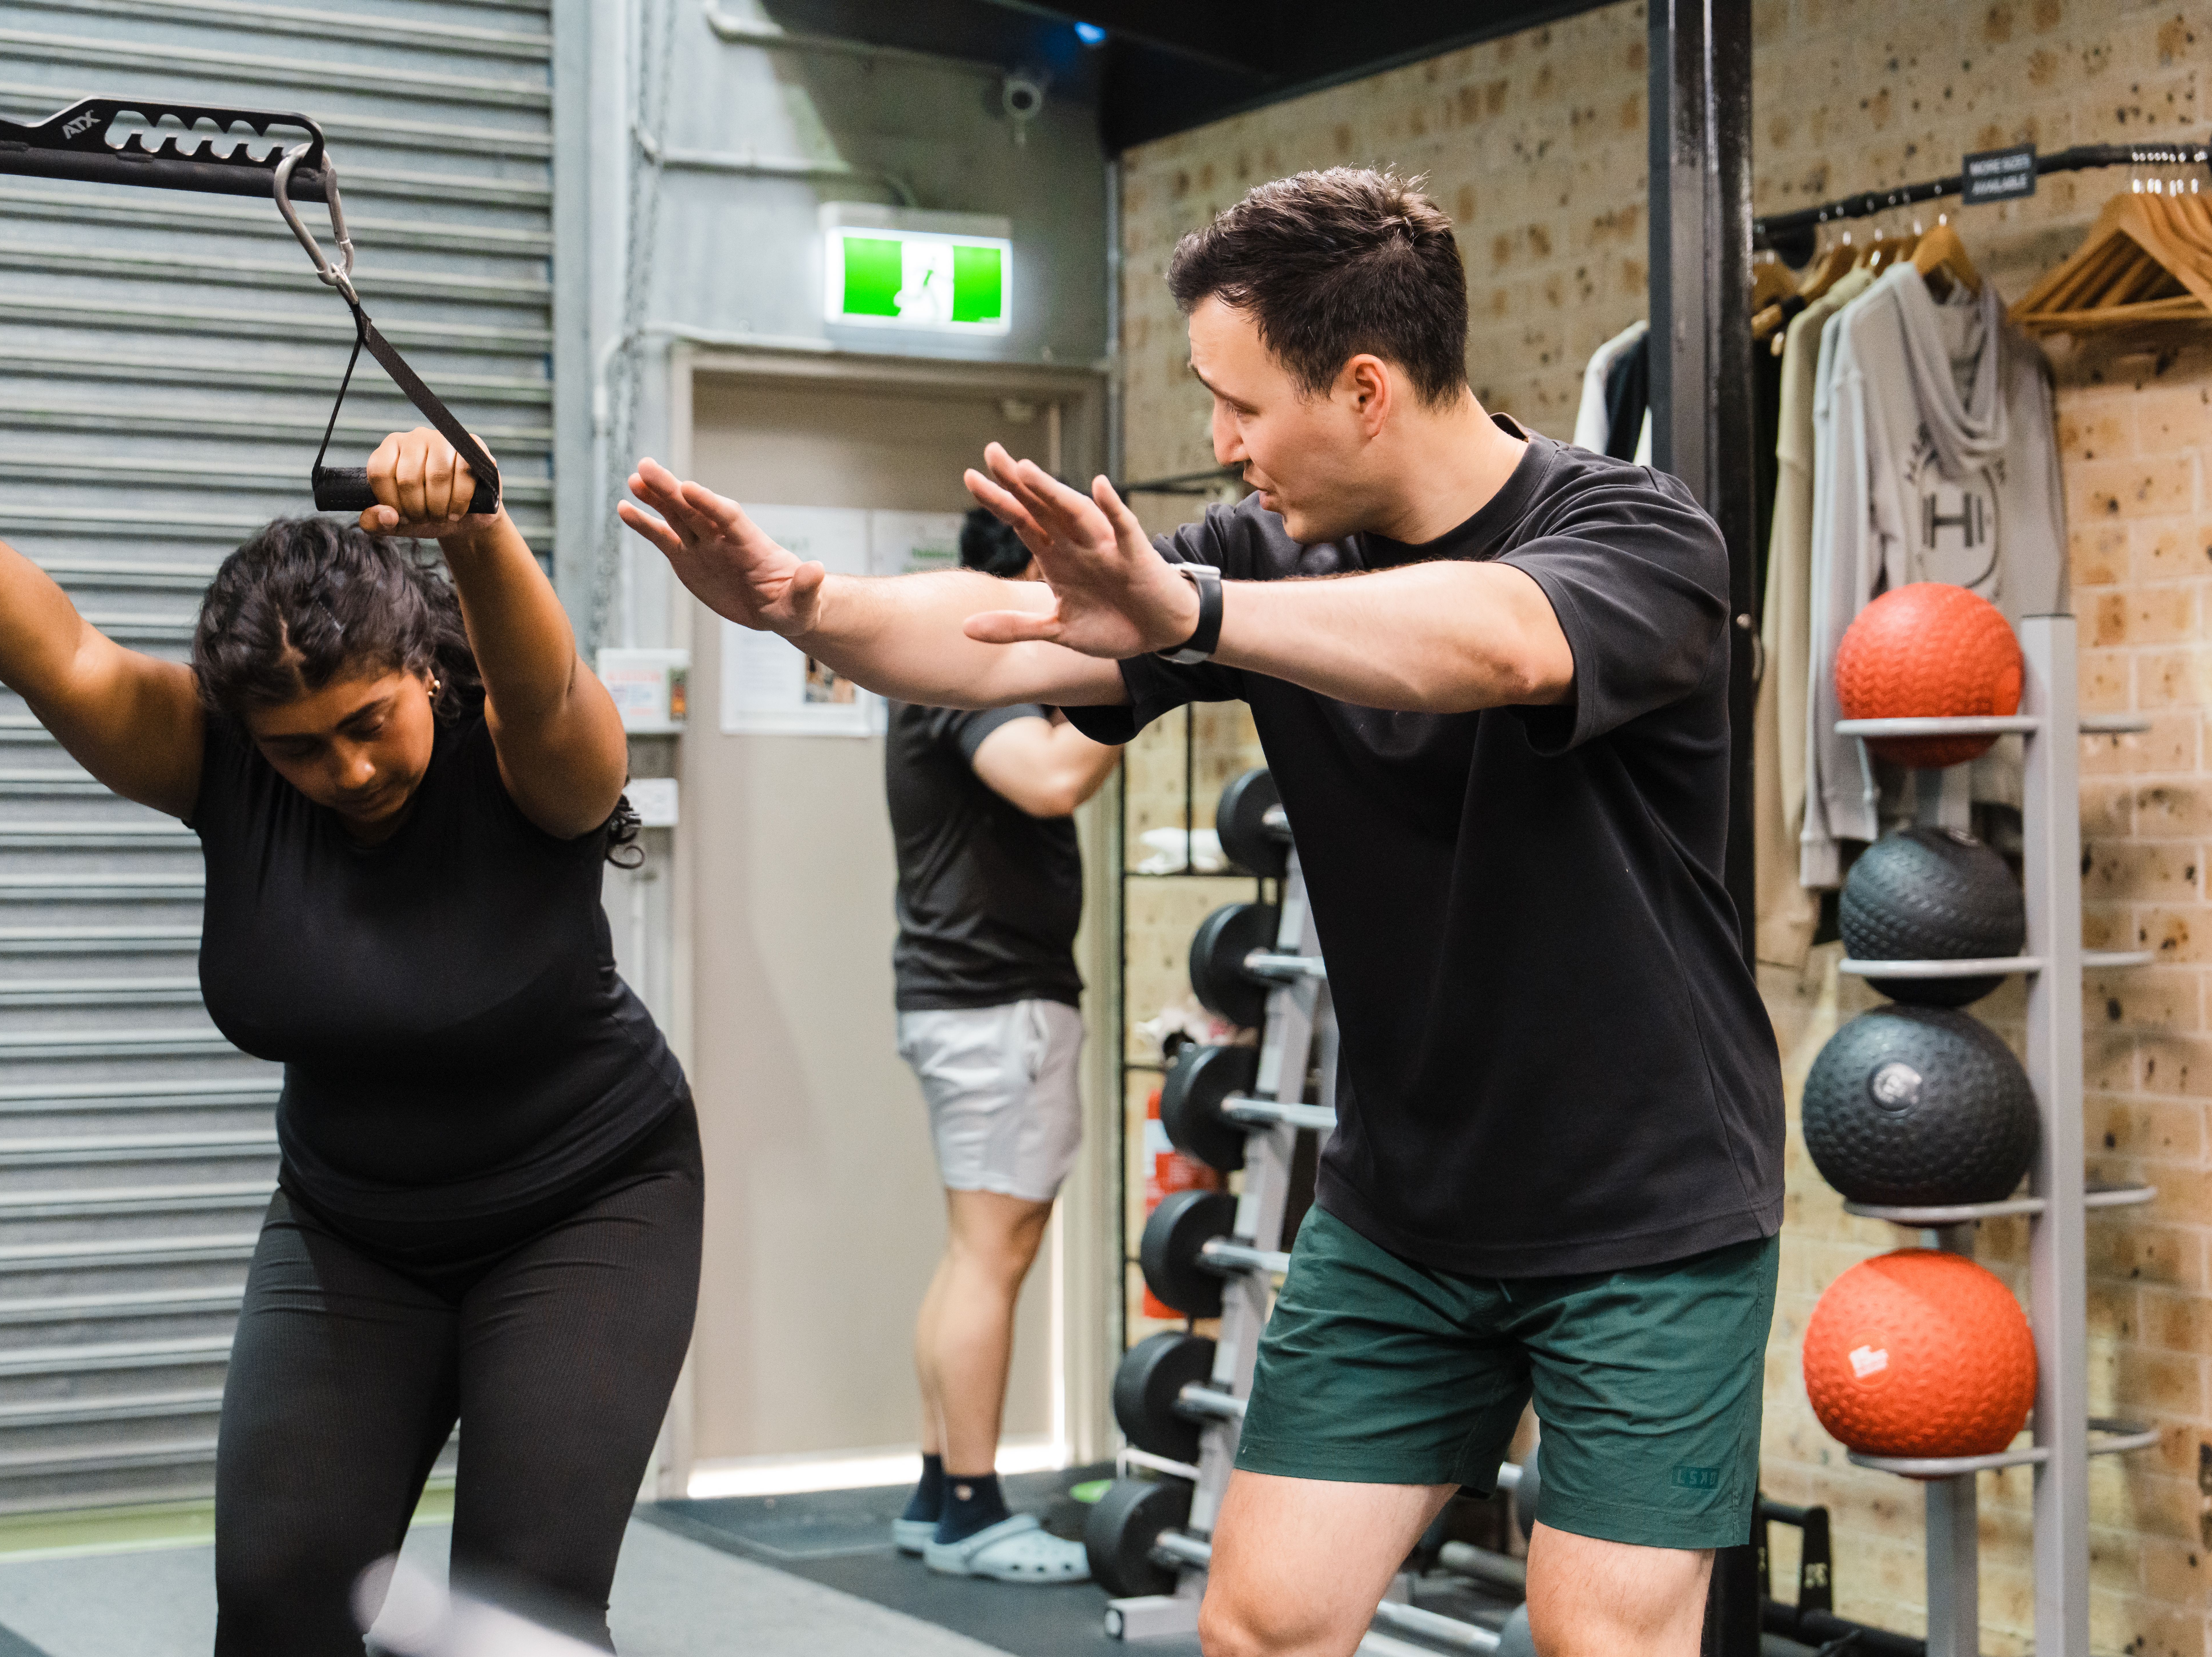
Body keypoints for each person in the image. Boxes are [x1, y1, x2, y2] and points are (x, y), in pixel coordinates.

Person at [620, 166, 1782, 1657]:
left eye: (1239, 405)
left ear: (1364, 388)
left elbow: (1491, 643)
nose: (1220, 445)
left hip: (1649, 1215)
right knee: (1262, 1625)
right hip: (1407, 1213)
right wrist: (804, 603)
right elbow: (996, 645)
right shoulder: (1252, 555)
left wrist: (1197, 620)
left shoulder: (1635, 531)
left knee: (1601, 1645)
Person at [0, 424, 698, 1656]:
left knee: (514, 1618)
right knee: (277, 1601)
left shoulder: (530, 754)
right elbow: (59, 657)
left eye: (371, 720)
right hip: (354, 1227)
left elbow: (542, 681)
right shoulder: (217, 761)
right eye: (300, 748)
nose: (348, 767)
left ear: (426, 669)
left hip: (587, 1203)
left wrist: (475, 524)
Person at [885, 507, 1120, 1583]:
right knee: (993, 1255)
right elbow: (1052, 777)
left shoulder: (950, 667)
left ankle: (940, 1491)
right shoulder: (965, 670)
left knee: (972, 1250)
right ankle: (976, 1510)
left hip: (968, 1000)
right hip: (994, 1004)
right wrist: (1146, 672)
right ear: (1029, 565)